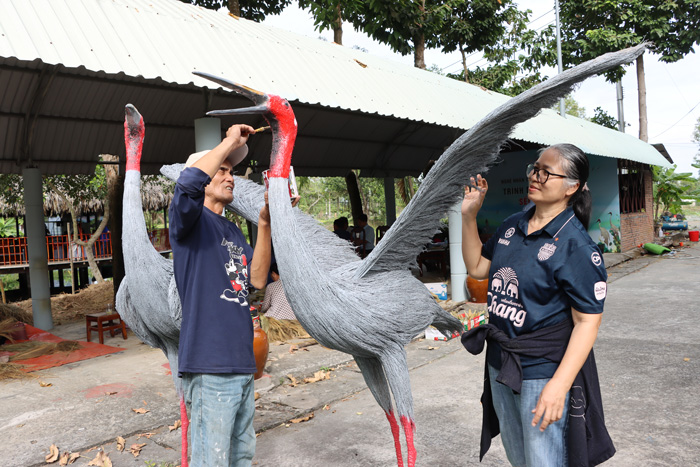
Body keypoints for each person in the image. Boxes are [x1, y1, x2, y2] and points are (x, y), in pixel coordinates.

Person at [460, 144, 614, 467]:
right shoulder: (512, 225)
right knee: (519, 460)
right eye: (535, 168)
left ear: (571, 187)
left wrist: (559, 386)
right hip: (501, 363)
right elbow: (476, 267)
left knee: (544, 461)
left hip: (542, 372)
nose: (535, 176)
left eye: (546, 172)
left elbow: (587, 322)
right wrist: (469, 216)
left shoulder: (576, 246)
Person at [169, 123, 271, 467]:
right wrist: (229, 142)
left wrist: (265, 223)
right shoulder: (189, 221)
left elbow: (257, 279)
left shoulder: (232, 230)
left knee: (241, 456)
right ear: (205, 178)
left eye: (232, 172)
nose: (231, 178)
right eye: (223, 171)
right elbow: (187, 184)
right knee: (211, 460)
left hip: (242, 362)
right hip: (209, 365)